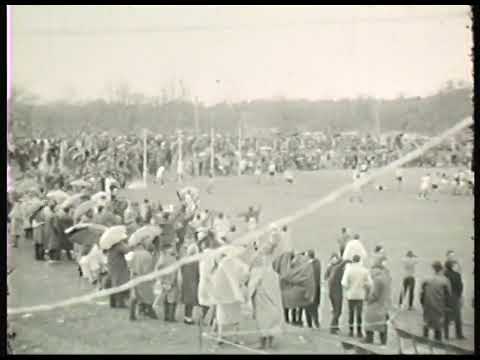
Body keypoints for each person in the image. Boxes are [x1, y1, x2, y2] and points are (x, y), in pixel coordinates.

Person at [248, 254, 284, 350]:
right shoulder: (274, 273)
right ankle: (269, 343)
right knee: (271, 321)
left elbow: (252, 286)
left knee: (262, 321)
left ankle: (263, 343)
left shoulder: (257, 272)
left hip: (261, 299)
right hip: (272, 300)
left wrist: (247, 296)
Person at [363, 255, 392, 346]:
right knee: (383, 326)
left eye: (372, 270)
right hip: (384, 305)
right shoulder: (386, 277)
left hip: (376, 307)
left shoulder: (377, 279)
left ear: (376, 269)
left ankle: (369, 339)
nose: (370, 273)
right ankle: (383, 343)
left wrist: (367, 294)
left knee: (370, 323)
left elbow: (374, 295)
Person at [341, 254, 372, 338]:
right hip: (360, 294)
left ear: (353, 261)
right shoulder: (364, 270)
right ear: (360, 261)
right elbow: (369, 283)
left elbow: (344, 283)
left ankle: (351, 331)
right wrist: (363, 285)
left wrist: (348, 288)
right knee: (359, 314)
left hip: (351, 294)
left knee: (351, 313)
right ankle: (359, 331)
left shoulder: (348, 270)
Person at [420, 261, 452, 342]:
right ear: (441, 269)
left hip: (428, 304)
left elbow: (422, 292)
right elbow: (448, 294)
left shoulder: (426, 279)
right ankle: (437, 340)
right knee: (438, 324)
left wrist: (422, 303)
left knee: (426, 321)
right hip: (439, 305)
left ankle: (425, 337)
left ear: (433, 268)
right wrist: (448, 306)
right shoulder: (445, 280)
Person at [128, 239, 158, 321]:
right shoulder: (147, 255)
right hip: (144, 278)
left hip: (134, 277)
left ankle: (132, 315)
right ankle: (151, 313)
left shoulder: (134, 254)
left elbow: (130, 266)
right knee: (148, 296)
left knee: (134, 297)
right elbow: (148, 269)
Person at [324, 253, 349, 334]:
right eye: (333, 258)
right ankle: (333, 327)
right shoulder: (337, 268)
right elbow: (340, 266)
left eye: (335, 259)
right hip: (336, 292)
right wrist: (346, 261)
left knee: (336, 310)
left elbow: (325, 277)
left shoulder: (330, 267)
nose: (334, 260)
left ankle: (336, 326)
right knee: (337, 311)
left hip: (333, 291)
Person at [105, 236, 130, 309]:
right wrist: (124, 243)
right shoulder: (118, 245)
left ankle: (112, 303)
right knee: (119, 284)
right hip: (118, 267)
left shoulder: (110, 245)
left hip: (112, 265)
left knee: (114, 283)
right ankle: (120, 303)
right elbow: (127, 250)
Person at [443, 260, 465, 340]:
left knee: (446, 316)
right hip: (455, 296)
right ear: (452, 266)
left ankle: (446, 335)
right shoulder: (457, 275)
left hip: (446, 297)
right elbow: (460, 287)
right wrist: (459, 296)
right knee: (457, 316)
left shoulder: (444, 274)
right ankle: (459, 335)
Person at [180, 242, 201, 325]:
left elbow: (182, 270)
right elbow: (198, 272)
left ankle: (187, 317)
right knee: (191, 302)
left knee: (187, 301)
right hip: (193, 282)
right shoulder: (196, 261)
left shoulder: (185, 260)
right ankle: (188, 318)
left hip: (185, 282)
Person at [305, 249, 321, 329]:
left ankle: (310, 324)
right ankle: (316, 322)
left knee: (308, 306)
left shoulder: (306, 265)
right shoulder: (317, 263)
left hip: (309, 288)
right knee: (315, 306)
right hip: (317, 287)